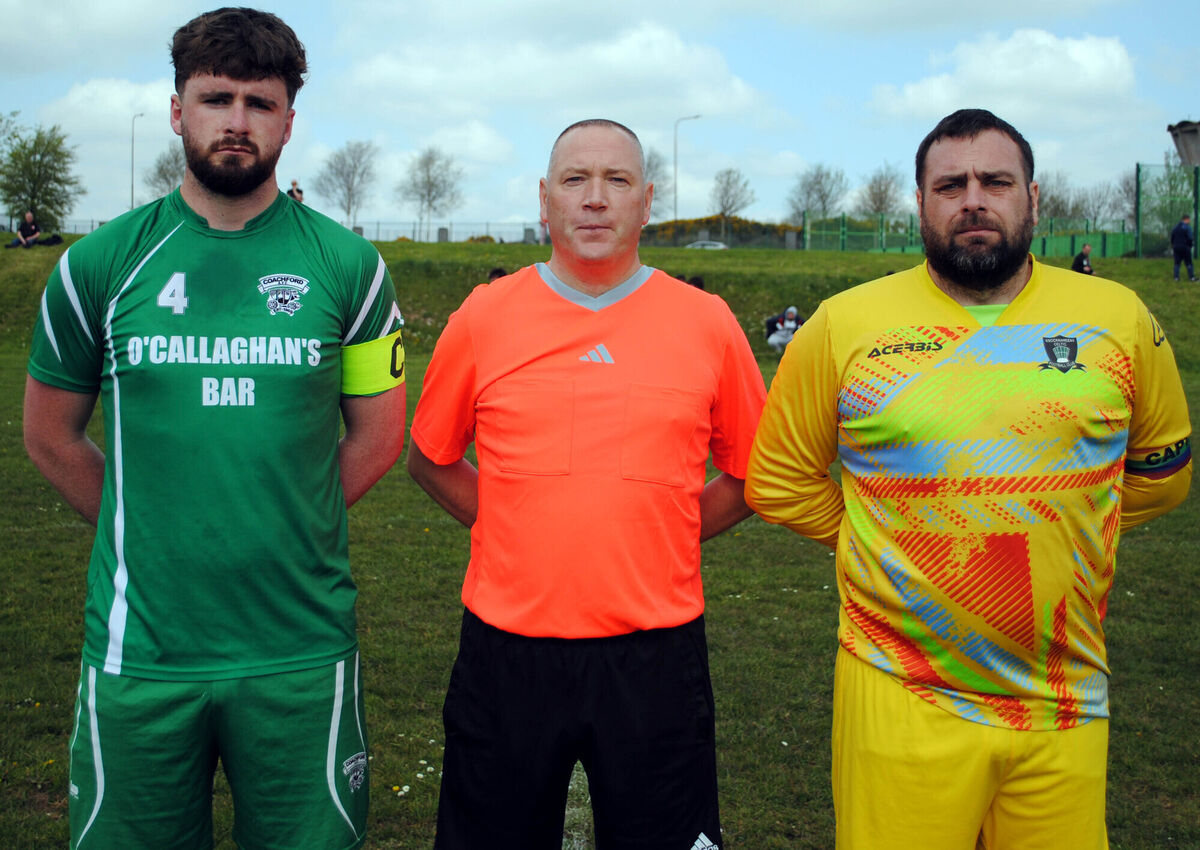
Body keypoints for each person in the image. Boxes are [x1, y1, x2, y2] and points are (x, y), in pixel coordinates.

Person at [745, 108, 1192, 850]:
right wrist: (895, 537)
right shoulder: (843, 324)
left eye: (995, 181)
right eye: (951, 185)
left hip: (1064, 696)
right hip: (900, 688)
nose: (974, 199)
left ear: (1033, 199)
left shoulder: (1118, 317)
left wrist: (1057, 521)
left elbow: (1162, 474)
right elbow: (779, 481)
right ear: (920, 203)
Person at [23, 9, 406, 849]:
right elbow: (51, 434)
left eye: (259, 103)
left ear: (289, 120)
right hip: (141, 655)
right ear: (177, 111)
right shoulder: (98, 264)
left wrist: (283, 519)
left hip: (300, 653)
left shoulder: (350, 267)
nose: (236, 121)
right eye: (216, 98)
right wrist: (146, 525)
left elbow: (380, 437)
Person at [408, 118, 766, 850]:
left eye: (617, 180)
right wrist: (511, 523)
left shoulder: (707, 323)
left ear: (647, 201)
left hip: (655, 654)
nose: (595, 199)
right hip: (508, 649)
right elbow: (429, 456)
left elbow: (752, 474)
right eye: (576, 180)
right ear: (546, 201)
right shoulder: (484, 316)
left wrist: (663, 530)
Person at [1170, 213, 1196, 281]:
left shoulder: (1175, 227)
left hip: (1176, 247)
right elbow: (1190, 238)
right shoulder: (1187, 227)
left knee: (1177, 263)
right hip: (1185, 247)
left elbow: (1172, 237)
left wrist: (1173, 245)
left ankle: (1176, 278)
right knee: (1189, 263)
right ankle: (1192, 277)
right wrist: (1190, 246)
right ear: (1187, 219)